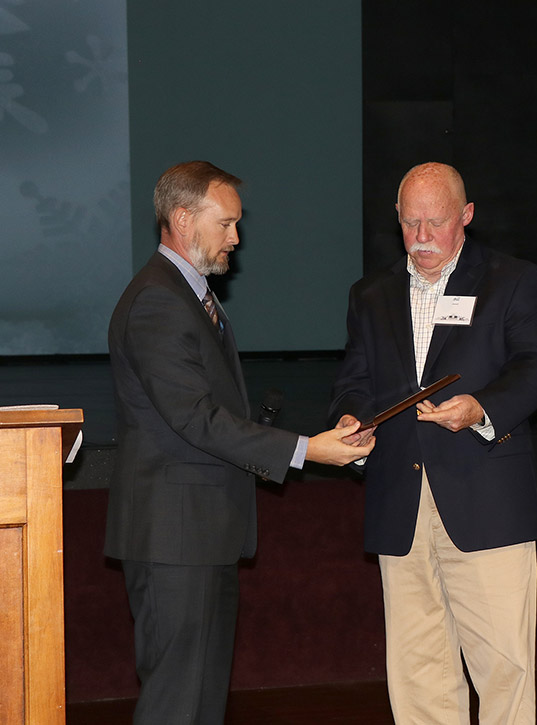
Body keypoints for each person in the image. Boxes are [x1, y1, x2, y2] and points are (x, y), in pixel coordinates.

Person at [106, 160, 374, 724]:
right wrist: (307, 450)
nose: (236, 238)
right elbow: (196, 419)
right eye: (226, 224)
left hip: (199, 535)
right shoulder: (159, 300)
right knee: (176, 704)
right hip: (174, 539)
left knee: (200, 701)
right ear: (182, 219)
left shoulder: (189, 294)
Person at [329, 162, 537, 724]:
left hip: (486, 496)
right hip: (399, 501)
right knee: (419, 669)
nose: (422, 238)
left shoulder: (510, 279)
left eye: (435, 223)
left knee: (503, 666)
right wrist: (349, 421)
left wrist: (482, 406)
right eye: (410, 224)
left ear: (466, 217)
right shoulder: (371, 293)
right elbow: (354, 382)